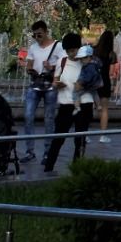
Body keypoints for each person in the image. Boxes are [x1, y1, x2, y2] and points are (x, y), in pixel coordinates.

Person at [42, 35, 98, 173]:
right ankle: (49, 167)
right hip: (66, 104)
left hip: (84, 104)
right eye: (68, 51)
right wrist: (56, 84)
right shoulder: (63, 61)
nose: (71, 54)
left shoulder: (87, 62)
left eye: (74, 50)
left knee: (80, 139)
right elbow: (55, 79)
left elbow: (96, 83)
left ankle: (77, 169)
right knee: (58, 137)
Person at [20, 21, 65, 162]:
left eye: (39, 34)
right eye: (34, 35)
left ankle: (47, 152)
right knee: (28, 116)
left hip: (50, 86)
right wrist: (28, 68)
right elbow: (30, 62)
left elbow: (63, 64)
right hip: (35, 84)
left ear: (46, 32)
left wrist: (51, 67)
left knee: (49, 119)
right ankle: (29, 151)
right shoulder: (33, 47)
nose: (37, 37)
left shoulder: (58, 46)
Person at [92, 24, 115, 142]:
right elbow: (111, 72)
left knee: (88, 108)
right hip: (104, 82)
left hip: (93, 81)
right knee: (105, 109)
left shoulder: (94, 50)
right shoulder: (111, 54)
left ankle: (84, 135)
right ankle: (103, 135)